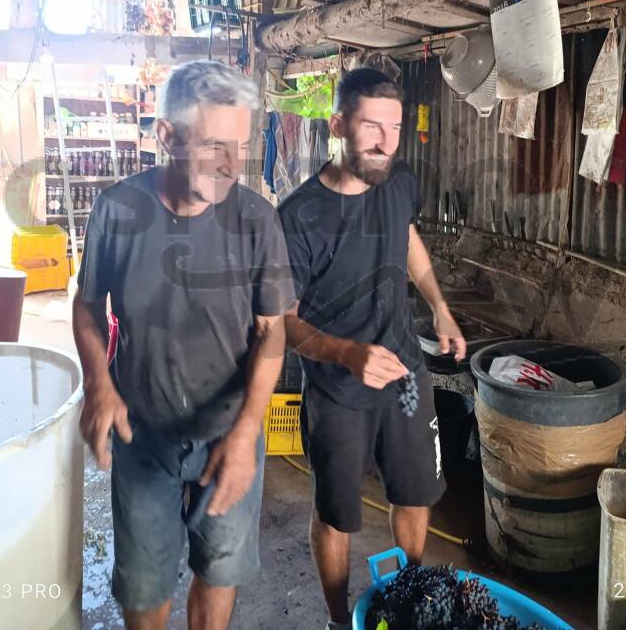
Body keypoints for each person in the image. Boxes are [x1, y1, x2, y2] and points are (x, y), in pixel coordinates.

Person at [72, 60, 296, 630]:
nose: (231, 165)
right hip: (141, 433)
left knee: (219, 573)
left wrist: (247, 432)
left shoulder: (257, 222)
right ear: (167, 136)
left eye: (240, 146)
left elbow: (273, 332)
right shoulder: (119, 211)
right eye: (213, 144)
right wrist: (99, 383)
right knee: (145, 588)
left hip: (229, 432)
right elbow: (86, 305)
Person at [277, 67, 467, 630]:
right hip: (337, 390)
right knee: (336, 513)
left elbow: (407, 237)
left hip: (405, 377)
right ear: (338, 125)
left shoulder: (399, 182)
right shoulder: (298, 218)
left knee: (414, 495)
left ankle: (409, 601)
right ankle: (341, 622)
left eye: (395, 127)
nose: (386, 141)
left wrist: (439, 304)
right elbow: (284, 323)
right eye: (370, 126)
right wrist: (346, 355)